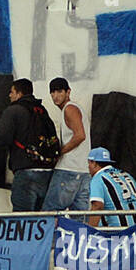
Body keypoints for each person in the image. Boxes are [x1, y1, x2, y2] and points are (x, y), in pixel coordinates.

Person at [0, 78, 56, 211]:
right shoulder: (42, 111)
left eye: (12, 92)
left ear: (19, 94)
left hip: (26, 172)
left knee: (22, 219)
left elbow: (1, 139)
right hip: (47, 171)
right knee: (41, 220)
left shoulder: (14, 110)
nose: (9, 95)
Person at [41, 78, 89, 211]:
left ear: (68, 92)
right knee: (80, 219)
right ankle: (82, 234)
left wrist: (60, 151)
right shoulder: (76, 108)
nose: (55, 96)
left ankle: (49, 233)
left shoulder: (70, 108)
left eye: (59, 91)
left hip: (68, 169)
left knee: (49, 213)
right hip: (83, 171)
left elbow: (80, 135)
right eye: (52, 92)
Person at [86, 148, 136, 228]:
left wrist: (90, 232)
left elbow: (97, 206)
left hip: (116, 233)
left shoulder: (98, 178)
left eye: (89, 163)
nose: (88, 167)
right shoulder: (126, 175)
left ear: (94, 163)